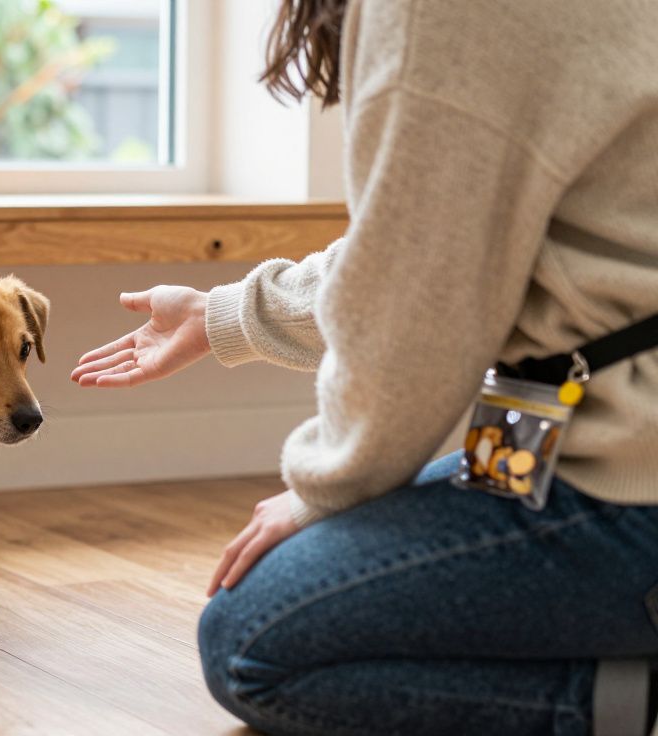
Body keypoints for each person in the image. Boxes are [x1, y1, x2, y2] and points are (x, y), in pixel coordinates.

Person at [70, 1, 658, 734]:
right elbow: (409, 251)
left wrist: (325, 490)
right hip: (563, 423)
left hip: (629, 470)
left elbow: (416, 304)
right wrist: (222, 314)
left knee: (250, 641)